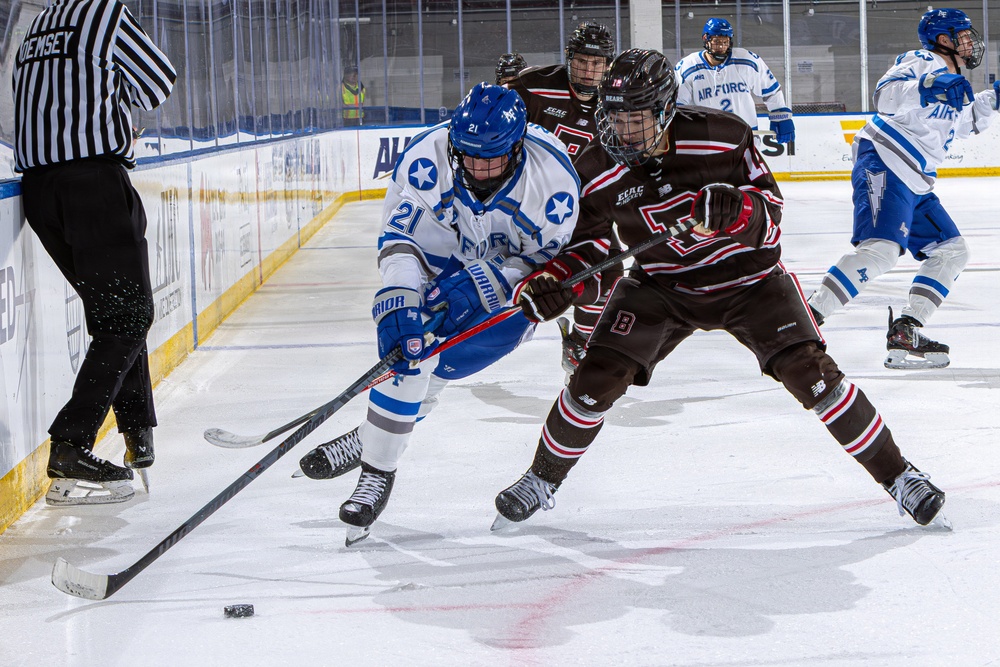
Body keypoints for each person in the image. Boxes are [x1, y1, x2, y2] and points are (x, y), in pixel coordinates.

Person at [491, 48, 948, 533]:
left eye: (636, 117)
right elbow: (593, 247)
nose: (621, 130)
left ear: (666, 108)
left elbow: (770, 217)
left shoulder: (722, 136)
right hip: (661, 286)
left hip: (749, 283)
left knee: (813, 377)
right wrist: (561, 281)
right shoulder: (595, 166)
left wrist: (741, 211)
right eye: (613, 115)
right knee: (592, 379)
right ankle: (540, 479)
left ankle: (901, 477)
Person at [298, 83, 580, 544]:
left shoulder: (553, 182)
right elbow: (403, 245)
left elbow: (548, 267)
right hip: (442, 258)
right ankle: (376, 471)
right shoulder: (426, 158)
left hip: (509, 284)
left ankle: (377, 432)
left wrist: (492, 281)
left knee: (440, 366)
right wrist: (398, 297)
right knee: (414, 350)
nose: (477, 169)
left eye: (490, 159)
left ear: (517, 147)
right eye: (467, 156)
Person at [12, 0, 176, 504]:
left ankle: (137, 433)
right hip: (94, 185)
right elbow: (158, 82)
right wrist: (115, 98)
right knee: (128, 316)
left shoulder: (36, 26)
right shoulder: (104, 12)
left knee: (117, 314)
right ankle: (71, 443)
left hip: (41, 190)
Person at [807, 8, 999, 370]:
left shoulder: (956, 79)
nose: (971, 42)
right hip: (884, 159)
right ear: (944, 39)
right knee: (881, 251)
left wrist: (992, 99)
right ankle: (808, 318)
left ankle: (906, 328)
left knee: (952, 251)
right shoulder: (922, 59)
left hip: (917, 180)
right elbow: (885, 96)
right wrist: (928, 87)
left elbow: (963, 124)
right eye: (963, 35)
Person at [505, 21, 621, 381]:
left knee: (610, 276)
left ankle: (580, 340)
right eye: (583, 62)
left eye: (598, 64)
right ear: (569, 59)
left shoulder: (617, 100)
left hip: (586, 212)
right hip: (528, 209)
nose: (590, 71)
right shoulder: (534, 86)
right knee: (510, 285)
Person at [674, 18, 795, 144]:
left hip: (745, 137)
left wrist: (781, 117)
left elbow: (771, 91)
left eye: (725, 42)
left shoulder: (746, 60)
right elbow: (680, 106)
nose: (721, 47)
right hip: (708, 141)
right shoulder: (687, 67)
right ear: (706, 39)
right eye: (716, 41)